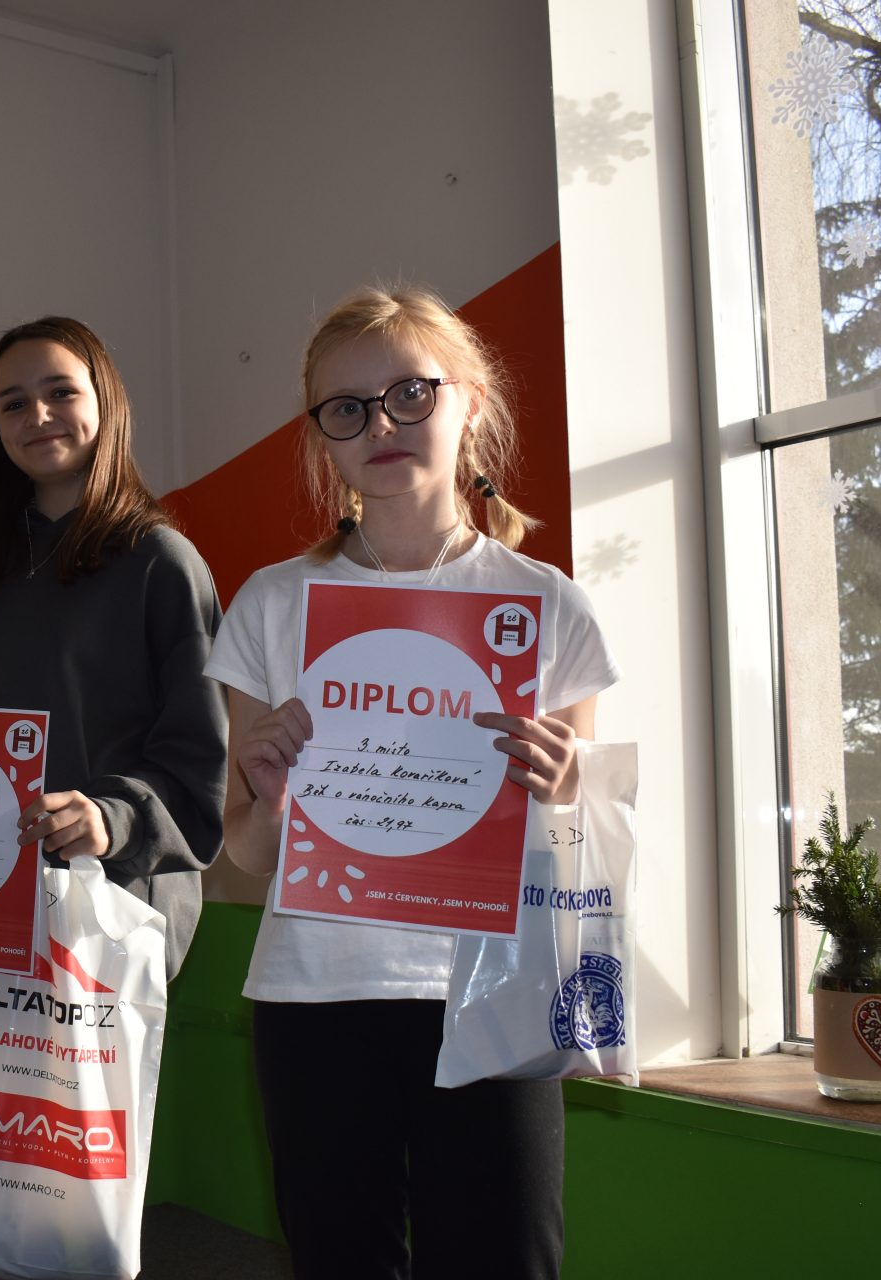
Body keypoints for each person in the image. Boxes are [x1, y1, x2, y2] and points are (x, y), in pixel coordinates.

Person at [204, 285, 620, 1279]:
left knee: (503, 1258)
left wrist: (567, 789)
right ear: (322, 437)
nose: (381, 426)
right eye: (346, 409)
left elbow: (579, 850)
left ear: (469, 401)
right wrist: (267, 791)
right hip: (316, 994)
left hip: (496, 989)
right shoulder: (274, 603)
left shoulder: (544, 604)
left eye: (409, 394)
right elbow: (245, 856)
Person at [0, 316, 228, 1010]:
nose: (38, 415)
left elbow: (200, 763)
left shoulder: (161, 563)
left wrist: (112, 818)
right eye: (14, 403)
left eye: (60, 392)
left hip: (100, 928)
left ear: (106, 402)